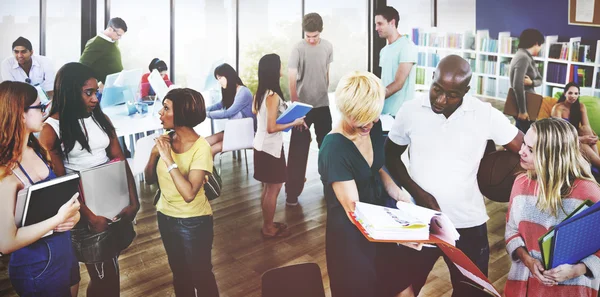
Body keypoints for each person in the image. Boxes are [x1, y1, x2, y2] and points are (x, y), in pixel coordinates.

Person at [382, 55, 524, 297]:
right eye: (436, 89)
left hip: (467, 223)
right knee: (402, 291)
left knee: (471, 293)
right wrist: (419, 194)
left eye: (452, 95)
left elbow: (524, 146)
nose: (440, 99)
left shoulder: (484, 114)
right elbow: (391, 157)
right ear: (432, 78)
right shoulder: (410, 110)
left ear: (465, 91)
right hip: (420, 220)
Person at [38, 62, 139, 297]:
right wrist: (90, 217)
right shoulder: (51, 129)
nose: (95, 98)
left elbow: (119, 159)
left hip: (114, 202)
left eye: (97, 92)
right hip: (86, 212)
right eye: (89, 93)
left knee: (110, 272)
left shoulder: (99, 118)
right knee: (105, 278)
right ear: (71, 91)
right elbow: (60, 185)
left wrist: (134, 201)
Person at [318, 71, 410, 297]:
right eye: (362, 117)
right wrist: (403, 233)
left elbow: (375, 167)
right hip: (353, 237)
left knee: (402, 290)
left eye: (373, 115)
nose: (370, 123)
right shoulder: (334, 148)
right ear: (345, 110)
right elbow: (355, 210)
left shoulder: (373, 126)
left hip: (380, 223)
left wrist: (399, 194)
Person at [0, 81, 81, 297]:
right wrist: (57, 220)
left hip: (64, 252)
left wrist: (74, 215)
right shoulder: (5, 172)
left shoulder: (36, 149)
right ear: (21, 114)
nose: (45, 111)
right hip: (37, 266)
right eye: (40, 106)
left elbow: (57, 204)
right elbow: (6, 242)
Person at [505, 117, 600, 297]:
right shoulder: (520, 183)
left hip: (571, 291)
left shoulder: (589, 193)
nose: (521, 151)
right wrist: (527, 260)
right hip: (522, 288)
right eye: (524, 144)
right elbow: (511, 230)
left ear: (553, 156)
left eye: (531, 150)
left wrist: (577, 270)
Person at [143, 88, 219, 297]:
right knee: (179, 274)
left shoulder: (201, 148)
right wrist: (153, 155)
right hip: (165, 216)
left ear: (182, 114)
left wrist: (168, 159)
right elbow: (149, 179)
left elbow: (189, 194)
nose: (160, 112)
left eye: (166, 108)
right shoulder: (167, 139)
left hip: (193, 221)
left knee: (201, 275)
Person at [253, 53, 306, 238]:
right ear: (274, 70)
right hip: (270, 148)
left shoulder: (260, 93)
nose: (282, 68)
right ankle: (268, 228)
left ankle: (267, 223)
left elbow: (261, 116)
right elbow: (271, 127)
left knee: (268, 188)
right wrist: (295, 122)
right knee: (273, 189)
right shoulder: (272, 96)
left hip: (261, 147)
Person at [286, 12, 334, 206]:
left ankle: (330, 189)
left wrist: (325, 90)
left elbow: (326, 73)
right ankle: (292, 194)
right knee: (298, 151)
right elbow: (291, 77)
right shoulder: (297, 48)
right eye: (308, 36)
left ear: (320, 32)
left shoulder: (328, 46)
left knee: (328, 149)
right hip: (303, 107)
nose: (312, 39)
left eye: (315, 36)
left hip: (323, 105)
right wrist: (296, 106)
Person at [375, 6, 418, 116]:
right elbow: (384, 81)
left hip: (400, 114)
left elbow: (399, 83)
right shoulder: (384, 51)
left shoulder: (407, 46)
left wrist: (373, 98)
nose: (376, 28)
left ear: (392, 23)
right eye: (376, 24)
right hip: (384, 112)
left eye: (380, 24)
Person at [205, 63, 255, 157]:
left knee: (211, 150)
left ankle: (205, 171)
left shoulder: (243, 92)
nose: (219, 81)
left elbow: (228, 113)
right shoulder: (231, 91)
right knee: (204, 143)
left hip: (246, 134)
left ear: (228, 76)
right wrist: (203, 110)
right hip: (235, 130)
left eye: (220, 78)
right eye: (217, 79)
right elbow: (220, 104)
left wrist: (207, 114)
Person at [551, 82, 599, 167]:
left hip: (575, 136)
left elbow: (587, 127)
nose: (573, 96)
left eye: (576, 93)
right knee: (582, 146)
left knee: (585, 129)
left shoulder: (580, 106)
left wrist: (593, 137)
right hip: (563, 139)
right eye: (570, 93)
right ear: (564, 93)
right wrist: (581, 139)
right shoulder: (558, 108)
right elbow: (560, 135)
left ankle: (597, 162)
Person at [509, 28, 544, 133]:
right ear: (536, 43)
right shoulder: (523, 57)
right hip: (524, 105)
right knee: (527, 134)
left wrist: (532, 82)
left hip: (529, 102)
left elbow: (540, 79)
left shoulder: (527, 57)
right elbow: (517, 85)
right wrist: (522, 111)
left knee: (520, 133)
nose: (540, 48)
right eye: (540, 45)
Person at [79, 17, 127, 84]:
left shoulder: (113, 41)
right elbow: (82, 66)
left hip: (116, 83)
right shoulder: (95, 43)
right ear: (110, 29)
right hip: (104, 87)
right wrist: (97, 84)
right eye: (118, 35)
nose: (119, 38)